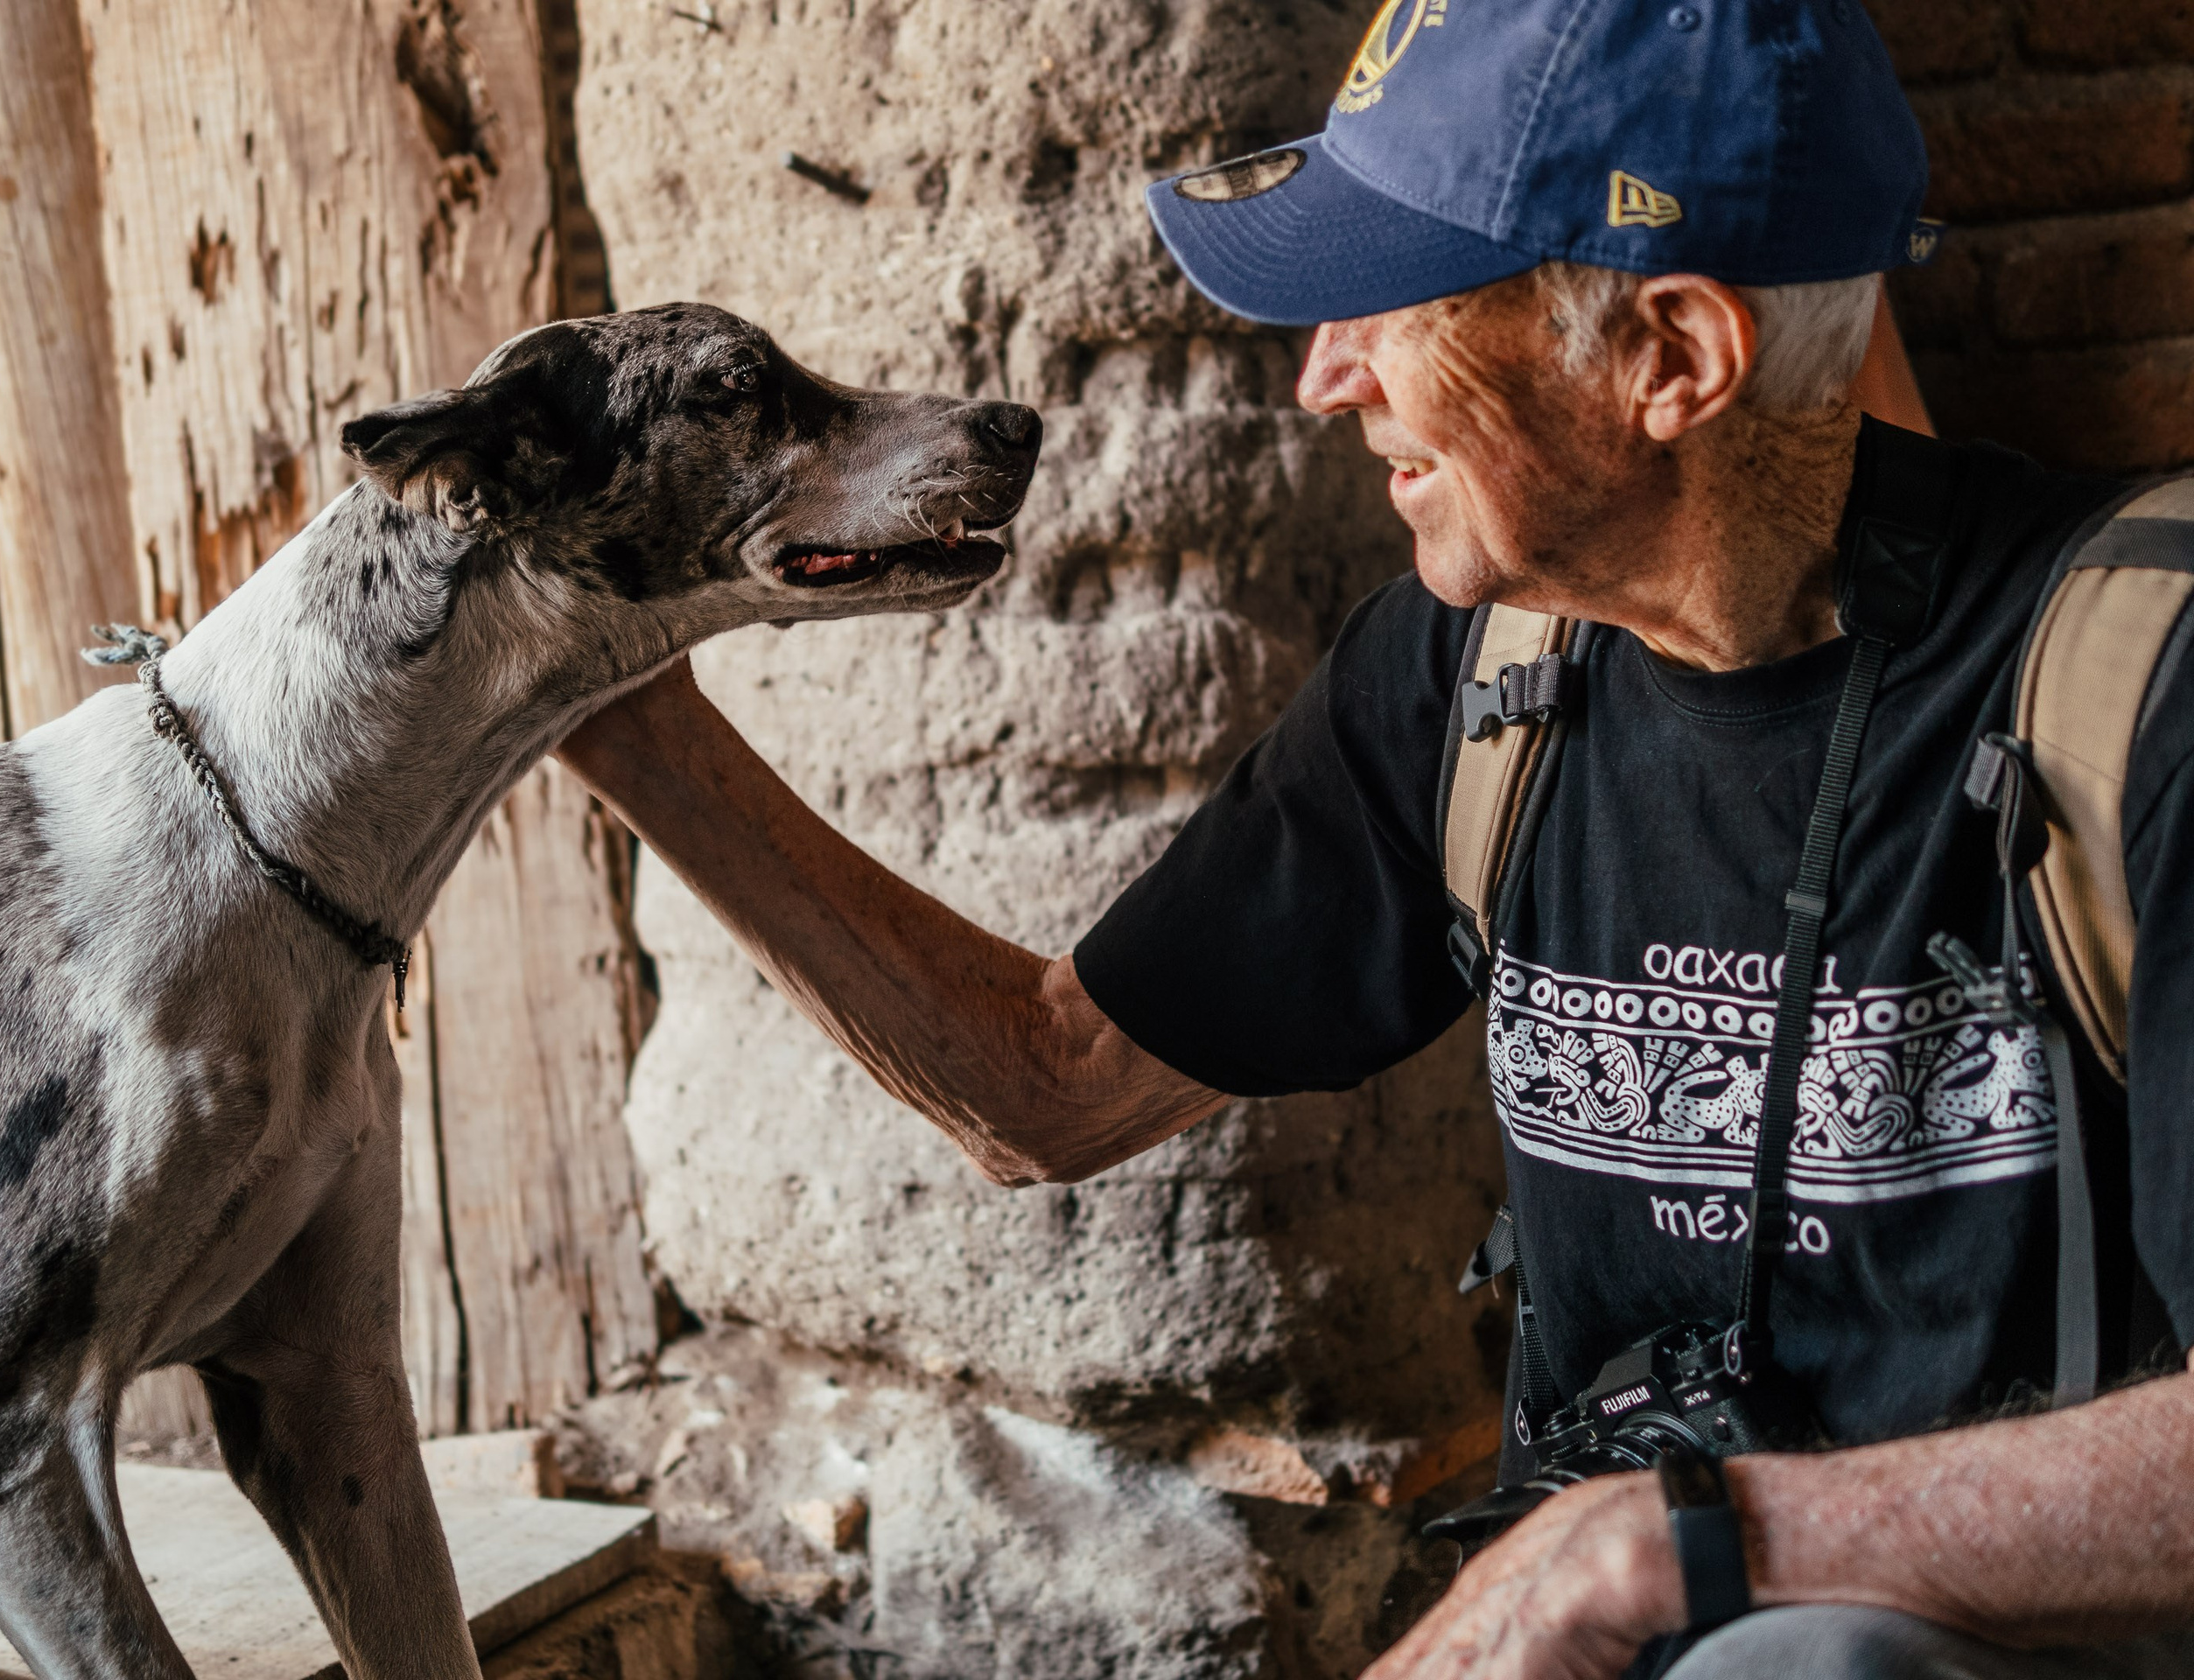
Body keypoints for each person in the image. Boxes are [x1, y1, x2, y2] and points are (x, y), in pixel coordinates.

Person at [559, 1, 2194, 1674]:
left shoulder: (2146, 692)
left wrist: (1667, 1550)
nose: (1324, 376)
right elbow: (1048, 1086)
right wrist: (606, 704)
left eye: (1395, 306)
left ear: (1673, 359)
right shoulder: (1485, 677)